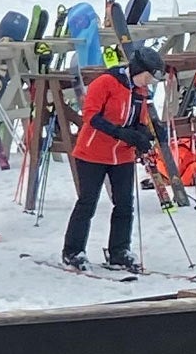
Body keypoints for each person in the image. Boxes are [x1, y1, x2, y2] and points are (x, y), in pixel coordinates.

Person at [63, 47, 170, 273]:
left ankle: (119, 251)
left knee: (124, 203)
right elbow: (90, 116)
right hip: (93, 152)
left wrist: (148, 133)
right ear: (138, 70)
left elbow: (138, 120)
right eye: (148, 77)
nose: (149, 83)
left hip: (122, 155)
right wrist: (120, 133)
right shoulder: (106, 82)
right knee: (87, 202)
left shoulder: (141, 92)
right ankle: (73, 251)